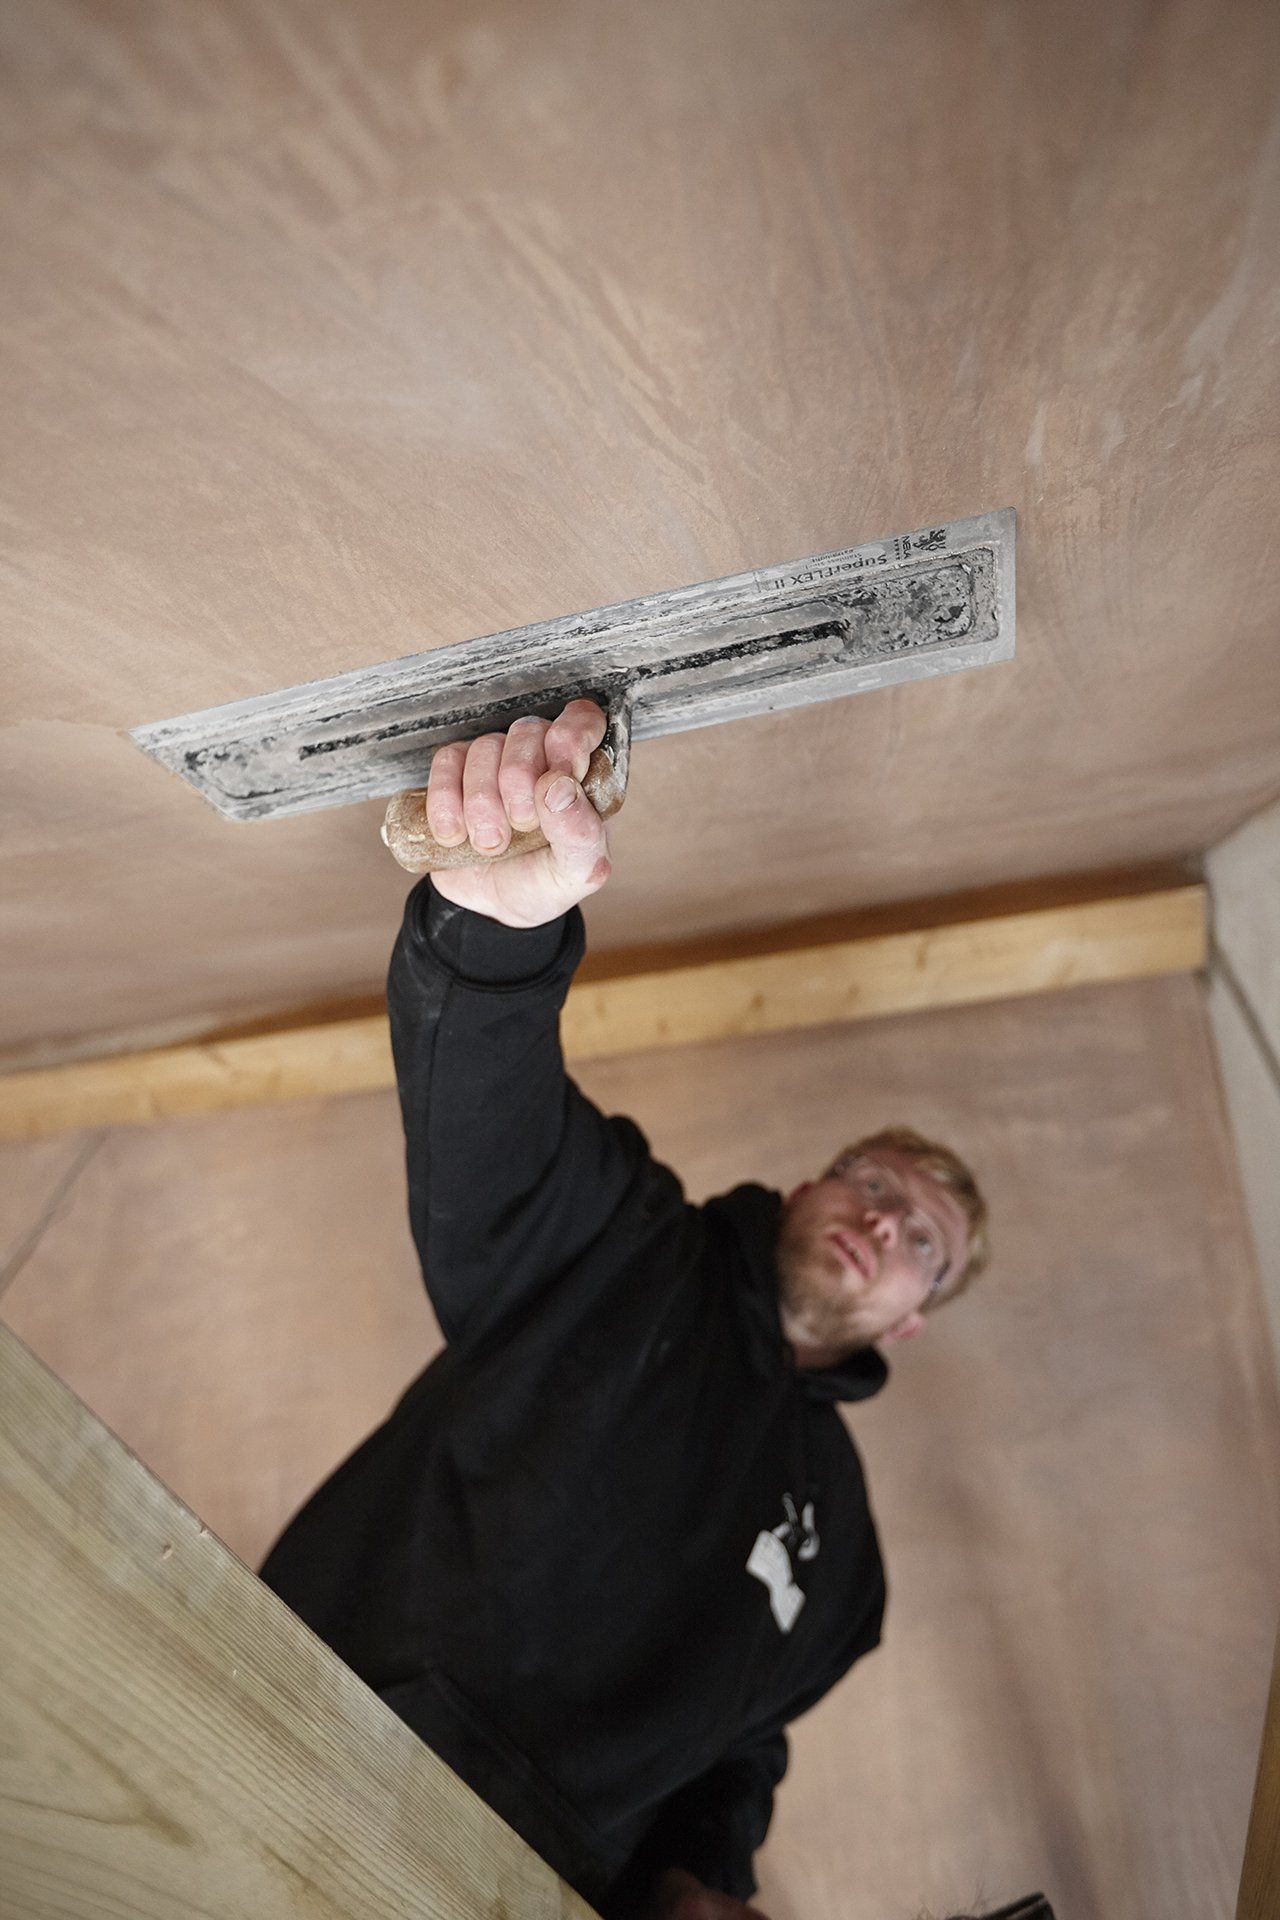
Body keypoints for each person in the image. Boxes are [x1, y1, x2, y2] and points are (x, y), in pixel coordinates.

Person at [259, 698, 989, 1920]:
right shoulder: (629, 1245)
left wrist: (704, 1877)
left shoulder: (845, 1564)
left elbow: (739, 1748)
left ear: (914, 1316)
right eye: (869, 1182)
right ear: (809, 1183)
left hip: (531, 1885)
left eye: (923, 1240)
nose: (879, 1221)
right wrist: (490, 936)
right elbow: (489, 1135)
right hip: (326, 1725)